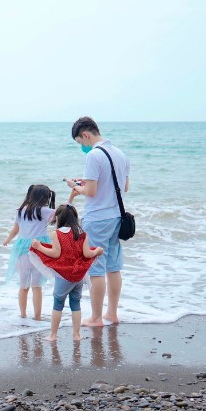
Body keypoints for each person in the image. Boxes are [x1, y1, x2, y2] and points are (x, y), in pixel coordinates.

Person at [64, 116, 130, 327]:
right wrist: (86, 183)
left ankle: (96, 318)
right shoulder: (120, 153)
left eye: (80, 142)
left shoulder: (94, 155)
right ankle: (112, 314)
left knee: (96, 269)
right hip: (117, 217)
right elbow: (124, 186)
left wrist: (76, 187)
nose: (81, 147)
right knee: (113, 267)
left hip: (97, 219)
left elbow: (91, 191)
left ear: (85, 135)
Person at [29, 204, 103, 341]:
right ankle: (76, 335)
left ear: (58, 218)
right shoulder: (82, 234)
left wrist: (39, 247)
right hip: (79, 276)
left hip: (64, 276)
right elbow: (87, 254)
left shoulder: (56, 234)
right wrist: (97, 251)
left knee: (58, 305)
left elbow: (55, 253)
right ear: (75, 218)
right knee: (76, 305)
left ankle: (53, 335)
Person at [2, 184, 56, 320]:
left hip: (22, 248)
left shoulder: (20, 211)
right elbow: (62, 215)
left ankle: (23, 315)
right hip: (39, 247)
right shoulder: (45, 211)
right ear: (45, 197)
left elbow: (16, 229)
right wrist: (71, 198)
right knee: (37, 286)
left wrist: (8, 239)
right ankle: (37, 317)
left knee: (23, 285)